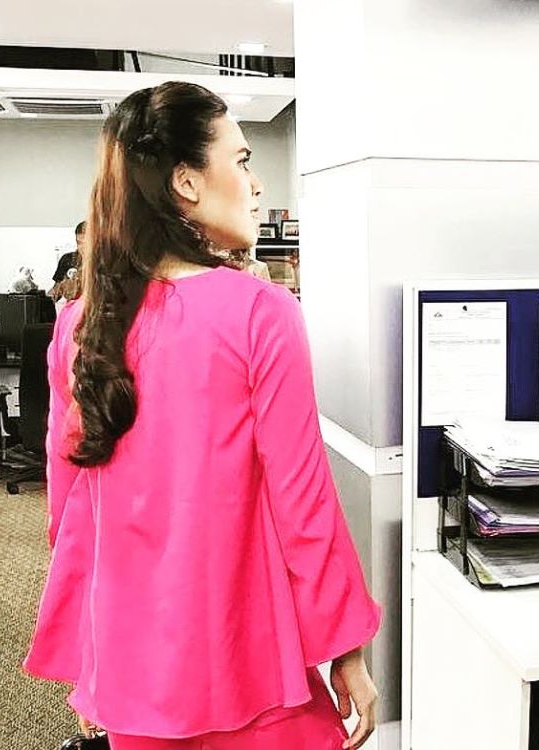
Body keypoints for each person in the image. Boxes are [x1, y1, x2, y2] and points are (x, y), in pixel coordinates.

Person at [24, 81, 381, 750]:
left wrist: (94, 663)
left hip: (134, 676)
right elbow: (303, 503)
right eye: (241, 160)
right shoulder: (261, 312)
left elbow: (70, 514)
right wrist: (346, 648)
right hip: (253, 666)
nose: (255, 183)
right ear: (186, 181)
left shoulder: (79, 322)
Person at [49, 221, 86, 302]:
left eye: (86, 243)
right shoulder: (67, 260)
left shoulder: (102, 263)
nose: (83, 247)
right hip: (73, 308)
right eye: (79, 243)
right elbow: (56, 291)